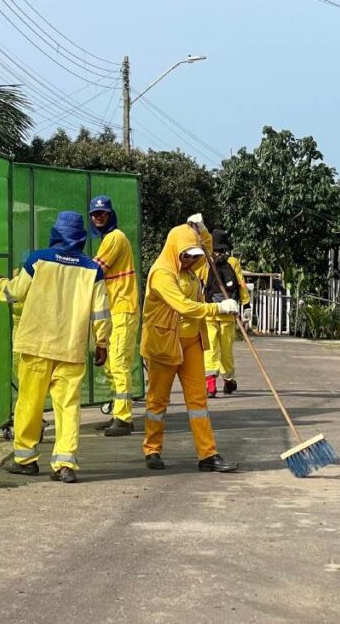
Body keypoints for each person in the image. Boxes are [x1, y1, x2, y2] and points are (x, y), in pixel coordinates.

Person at [0, 211, 111, 483]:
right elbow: (101, 313)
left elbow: (15, 293)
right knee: (68, 407)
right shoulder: (93, 269)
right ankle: (65, 463)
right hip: (72, 349)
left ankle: (25, 459)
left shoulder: (38, 260)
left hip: (36, 346)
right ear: (81, 236)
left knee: (29, 404)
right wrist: (102, 343)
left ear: (56, 232)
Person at [140, 215, 241, 473]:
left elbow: (206, 248)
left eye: (194, 255)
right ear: (175, 250)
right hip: (164, 344)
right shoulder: (162, 273)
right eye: (186, 254)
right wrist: (218, 307)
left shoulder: (191, 268)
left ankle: (208, 454)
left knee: (198, 402)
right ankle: (152, 449)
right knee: (158, 401)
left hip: (192, 343)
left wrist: (202, 230)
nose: (191, 259)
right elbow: (184, 306)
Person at [88, 195, 140, 437]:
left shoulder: (114, 238)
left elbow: (94, 270)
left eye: (103, 213)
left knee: (118, 363)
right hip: (115, 310)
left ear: (111, 215)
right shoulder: (109, 239)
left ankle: (124, 417)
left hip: (122, 309)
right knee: (110, 365)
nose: (98, 217)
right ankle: (118, 413)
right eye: (95, 214)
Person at [203, 229, 250, 397]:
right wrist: (246, 304)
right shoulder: (232, 261)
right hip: (229, 313)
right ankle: (228, 381)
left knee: (210, 349)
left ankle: (211, 386)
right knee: (226, 350)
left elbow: (200, 283)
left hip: (209, 312)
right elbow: (241, 284)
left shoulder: (205, 261)